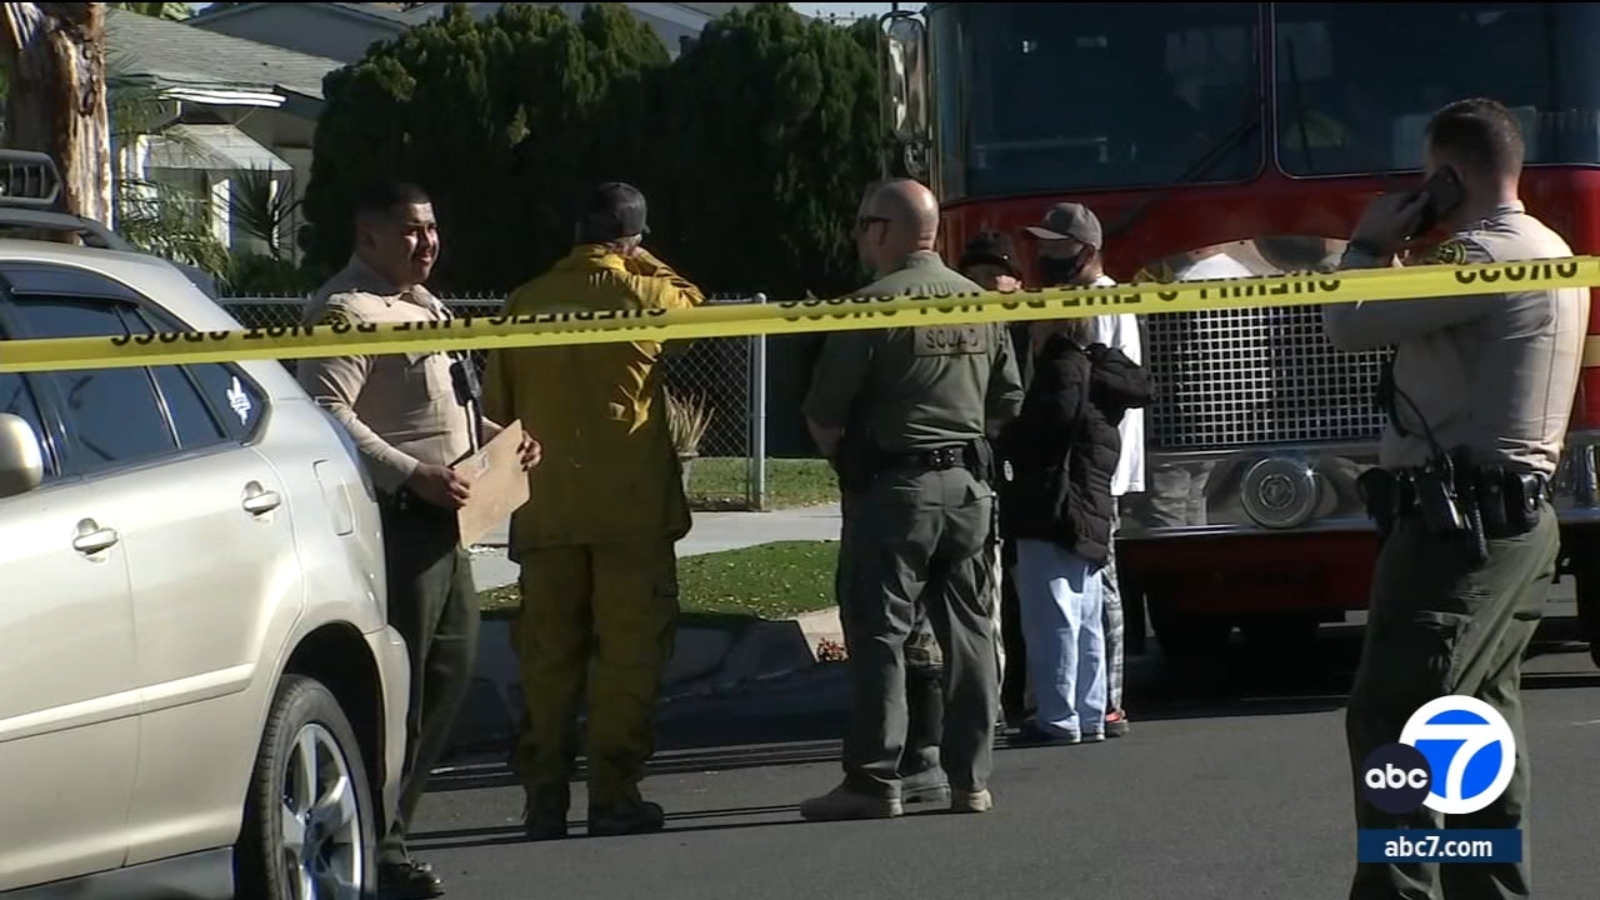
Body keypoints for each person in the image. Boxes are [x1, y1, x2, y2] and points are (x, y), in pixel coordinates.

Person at [1324, 97, 1586, 900]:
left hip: (1455, 533)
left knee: (1393, 717)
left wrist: (1372, 240)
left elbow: (1347, 322)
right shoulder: (1543, 245)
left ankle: (1400, 890)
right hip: (1508, 520)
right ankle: (1491, 890)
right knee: (1479, 725)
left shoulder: (1483, 254)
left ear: (1447, 175)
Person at [297, 181, 541, 900]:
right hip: (397, 521)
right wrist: (412, 475)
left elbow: (451, 403)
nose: (427, 244)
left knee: (448, 675)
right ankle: (377, 847)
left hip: (452, 519)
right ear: (368, 237)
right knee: (395, 692)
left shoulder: (426, 306)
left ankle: (389, 829)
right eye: (410, 232)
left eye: (432, 230)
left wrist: (502, 443)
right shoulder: (345, 311)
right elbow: (325, 411)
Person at [481, 181, 706, 841]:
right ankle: (613, 794)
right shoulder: (647, 293)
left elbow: (496, 407)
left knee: (548, 660)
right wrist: (646, 263)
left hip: (546, 511)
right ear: (631, 239)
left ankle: (544, 801)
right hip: (630, 515)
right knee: (628, 659)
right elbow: (696, 309)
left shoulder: (524, 303)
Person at [799, 178, 1024, 820]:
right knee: (972, 632)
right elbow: (1007, 401)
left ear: (881, 230)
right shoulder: (980, 303)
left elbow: (824, 414)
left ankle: (874, 781)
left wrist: (854, 465)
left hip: (897, 490)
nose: (857, 235)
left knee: (879, 633)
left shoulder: (870, 305)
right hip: (970, 488)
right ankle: (970, 779)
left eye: (863, 222)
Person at [1001, 315, 1150, 745]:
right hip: (1092, 501)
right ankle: (1089, 710)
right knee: (1085, 615)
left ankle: (1057, 714)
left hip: (1054, 504)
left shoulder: (1061, 368)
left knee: (1051, 617)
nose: (1030, 328)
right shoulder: (1103, 374)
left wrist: (1005, 436)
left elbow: (1046, 431)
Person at [1025, 202, 1139, 737]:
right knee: (1091, 593)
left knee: (1086, 597)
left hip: (1083, 470)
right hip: (1096, 469)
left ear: (1086, 251)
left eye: (1056, 246)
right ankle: (1094, 705)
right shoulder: (1099, 298)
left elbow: (1073, 399)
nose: (1044, 255)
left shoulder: (1092, 305)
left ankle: (1096, 704)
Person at [957, 230, 1028, 727]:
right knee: (985, 595)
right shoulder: (958, 327)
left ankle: (1020, 694)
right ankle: (996, 700)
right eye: (974, 278)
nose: (984, 288)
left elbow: (1014, 400)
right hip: (971, 471)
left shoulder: (1033, 328)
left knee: (1015, 594)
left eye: (993, 277)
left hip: (1017, 472)